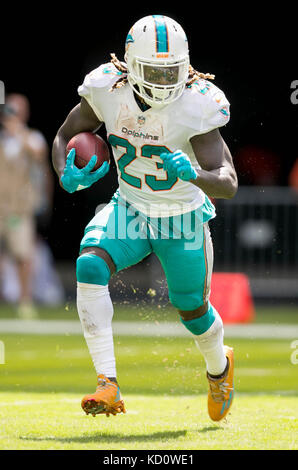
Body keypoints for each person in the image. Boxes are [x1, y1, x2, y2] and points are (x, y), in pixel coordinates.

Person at [52, 15, 238, 422]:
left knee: (192, 310)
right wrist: (65, 174)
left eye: (171, 70)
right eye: (153, 70)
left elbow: (228, 182)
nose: (163, 80)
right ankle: (108, 382)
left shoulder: (197, 103)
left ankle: (219, 368)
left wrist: (195, 174)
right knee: (89, 264)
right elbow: (66, 134)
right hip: (131, 207)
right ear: (131, 64)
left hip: (183, 219)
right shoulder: (106, 88)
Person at [0, 93, 51, 318]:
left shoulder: (32, 137)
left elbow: (39, 155)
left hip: (19, 207)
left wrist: (17, 132)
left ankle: (25, 301)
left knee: (23, 255)